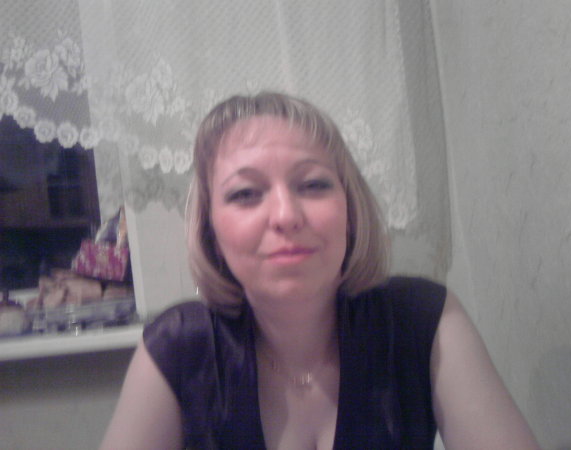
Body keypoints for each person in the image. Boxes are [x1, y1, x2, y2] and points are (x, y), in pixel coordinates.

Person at [101, 92, 539, 449]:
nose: (286, 216)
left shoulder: (423, 319)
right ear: (209, 229)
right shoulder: (177, 347)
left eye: (313, 185)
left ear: (350, 212)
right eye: (246, 193)